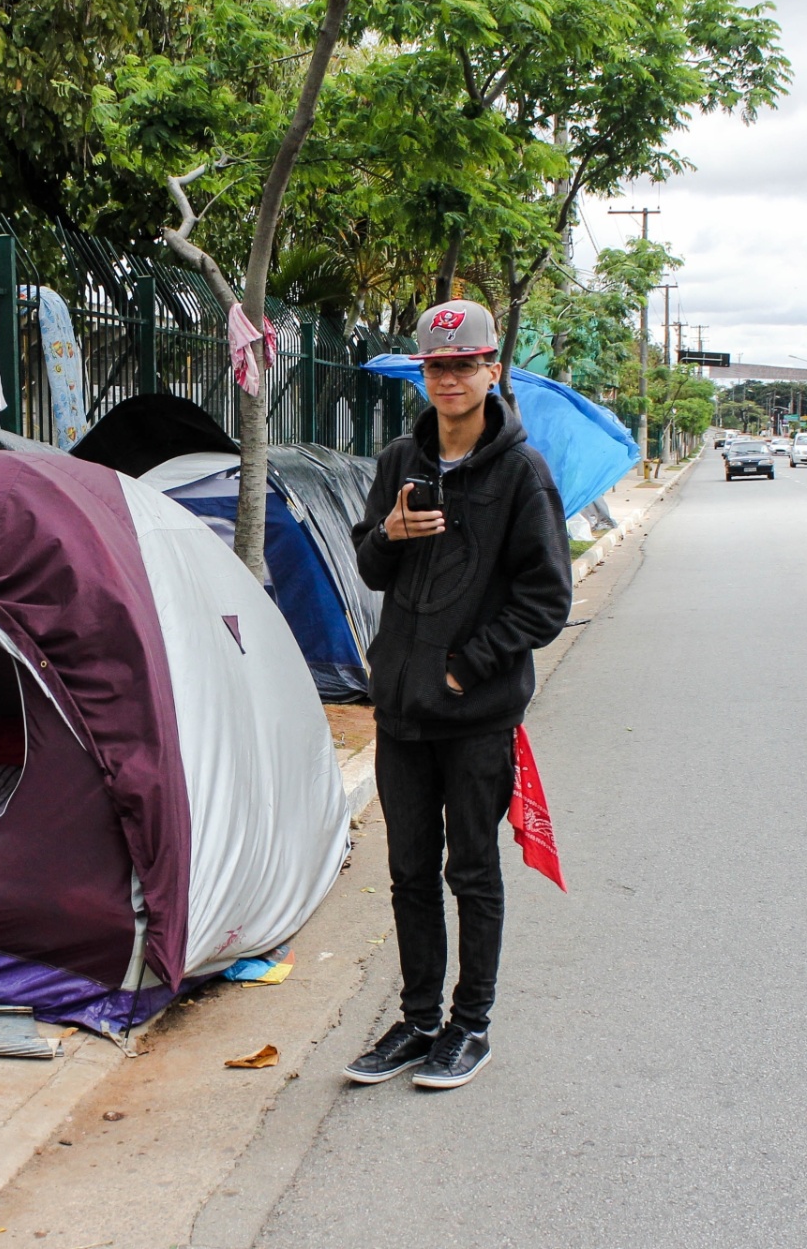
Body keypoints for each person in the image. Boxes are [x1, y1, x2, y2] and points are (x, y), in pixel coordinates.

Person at [343, 300, 571, 1091]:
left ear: (491, 371)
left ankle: (471, 1025)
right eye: (437, 367)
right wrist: (389, 536)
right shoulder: (400, 458)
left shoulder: (521, 473)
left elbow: (546, 599)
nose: (450, 379)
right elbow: (370, 569)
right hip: (402, 711)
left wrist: (464, 667)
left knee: (470, 871)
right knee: (409, 871)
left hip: (474, 713)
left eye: (464, 364)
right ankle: (417, 1020)